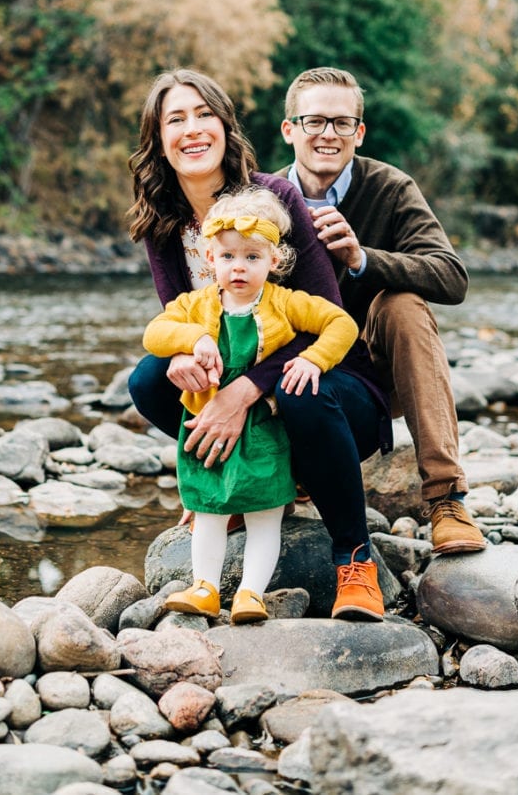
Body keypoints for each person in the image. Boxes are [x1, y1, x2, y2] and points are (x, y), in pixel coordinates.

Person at [127, 68, 392, 621]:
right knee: (150, 379)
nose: (193, 129)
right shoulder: (164, 221)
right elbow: (176, 317)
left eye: (204, 115)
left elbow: (329, 321)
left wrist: (244, 390)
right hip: (240, 391)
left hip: (334, 390)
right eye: (176, 119)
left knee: (299, 390)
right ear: (158, 138)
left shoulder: (274, 197)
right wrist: (184, 353)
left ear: (226, 126)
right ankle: (240, 486)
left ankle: (355, 560)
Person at [278, 66, 487, 554]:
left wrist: (362, 258)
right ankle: (280, 476)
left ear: (359, 132)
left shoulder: (390, 188)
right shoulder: (266, 197)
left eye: (342, 123)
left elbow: (451, 276)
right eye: (314, 122)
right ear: (290, 129)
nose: (328, 134)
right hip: (295, 374)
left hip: (373, 371)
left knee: (403, 305)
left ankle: (446, 498)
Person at [142, 186, 361, 623]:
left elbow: (341, 323)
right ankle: (204, 586)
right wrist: (194, 339)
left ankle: (250, 593)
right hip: (209, 425)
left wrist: (313, 359)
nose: (238, 268)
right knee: (207, 509)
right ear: (209, 260)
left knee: (264, 515)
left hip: (262, 430)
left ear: (274, 261)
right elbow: (154, 334)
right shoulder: (195, 306)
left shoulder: (285, 303)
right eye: (227, 258)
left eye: (252, 258)